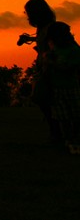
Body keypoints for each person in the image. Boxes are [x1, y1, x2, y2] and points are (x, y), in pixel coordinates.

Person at [22, 0, 61, 141]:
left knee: (45, 98)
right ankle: (56, 130)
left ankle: (57, 131)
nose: (27, 17)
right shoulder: (42, 29)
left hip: (50, 68)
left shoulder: (50, 28)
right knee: (45, 99)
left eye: (28, 13)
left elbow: (55, 49)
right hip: (44, 67)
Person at [44, 22, 80, 154]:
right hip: (57, 87)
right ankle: (69, 140)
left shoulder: (74, 50)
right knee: (63, 117)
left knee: (75, 116)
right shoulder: (55, 49)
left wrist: (51, 62)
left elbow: (69, 69)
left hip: (71, 87)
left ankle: (74, 139)